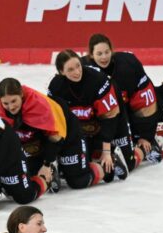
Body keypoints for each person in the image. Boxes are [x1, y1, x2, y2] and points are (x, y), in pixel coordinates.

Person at [50, 49, 157, 179]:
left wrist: (106, 152)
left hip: (112, 120)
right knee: (81, 164)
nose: (77, 72)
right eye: (70, 70)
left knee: (128, 163)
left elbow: (109, 118)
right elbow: (55, 121)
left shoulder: (97, 80)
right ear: (61, 72)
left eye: (78, 66)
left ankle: (144, 149)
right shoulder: (55, 87)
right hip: (82, 126)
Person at [0, 79, 104, 190]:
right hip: (36, 138)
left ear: (21, 94)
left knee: (79, 181)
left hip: (65, 133)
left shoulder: (39, 104)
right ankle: (56, 168)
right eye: (5, 103)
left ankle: (106, 165)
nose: (11, 107)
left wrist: (47, 164)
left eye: (14, 101)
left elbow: (55, 138)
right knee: (29, 177)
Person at [86, 34, 163, 161]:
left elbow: (147, 102)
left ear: (112, 50)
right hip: (105, 118)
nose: (104, 57)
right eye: (99, 54)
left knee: (129, 158)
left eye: (107, 52)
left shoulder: (129, 65)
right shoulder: (83, 71)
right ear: (91, 55)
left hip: (129, 112)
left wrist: (145, 135)